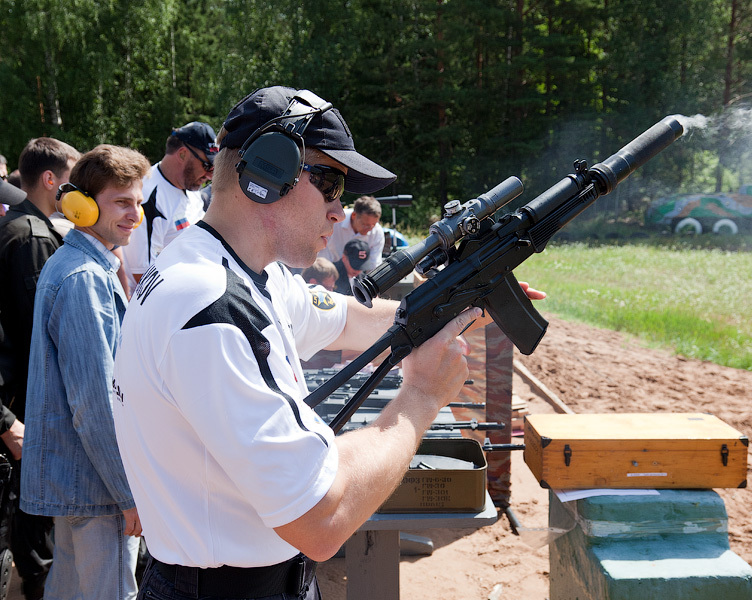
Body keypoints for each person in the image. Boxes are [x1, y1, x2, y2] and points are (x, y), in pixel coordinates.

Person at [111, 85, 543, 600]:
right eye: (331, 183)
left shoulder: (237, 272)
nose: (339, 211)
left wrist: (456, 302)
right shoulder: (212, 309)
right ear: (269, 172)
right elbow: (322, 520)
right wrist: (421, 397)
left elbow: (344, 319)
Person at [21, 145, 150, 600]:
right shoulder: (86, 278)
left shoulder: (80, 265)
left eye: (138, 202)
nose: (135, 214)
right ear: (84, 204)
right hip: (97, 486)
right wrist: (127, 492)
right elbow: (95, 401)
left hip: (80, 481)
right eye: (121, 202)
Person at [0, 137, 81, 599]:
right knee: (34, 546)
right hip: (21, 410)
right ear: (51, 180)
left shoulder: (23, 226)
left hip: (16, 408)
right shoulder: (31, 236)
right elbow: (39, 336)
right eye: (73, 179)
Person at [121, 121, 218, 287]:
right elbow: (144, 277)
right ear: (182, 155)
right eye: (207, 165)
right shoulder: (146, 197)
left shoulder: (190, 186)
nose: (210, 176)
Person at [318, 195, 384, 270]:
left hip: (358, 272)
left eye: (373, 225)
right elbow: (320, 251)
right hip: (329, 268)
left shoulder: (377, 231)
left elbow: (374, 263)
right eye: (365, 225)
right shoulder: (335, 221)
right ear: (354, 215)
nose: (369, 229)